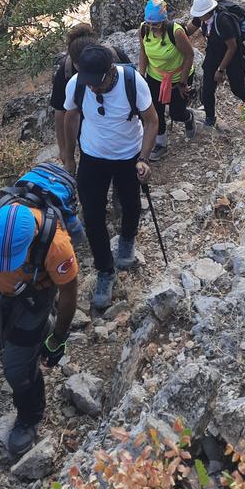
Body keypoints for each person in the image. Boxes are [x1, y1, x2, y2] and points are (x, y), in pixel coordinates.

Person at [0, 188, 78, 457]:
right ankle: (41, 328)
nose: (5, 266)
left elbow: (68, 292)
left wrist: (58, 339)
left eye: (12, 260)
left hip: (34, 297)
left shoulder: (56, 245)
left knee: (16, 371)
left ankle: (29, 415)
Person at [63, 44, 157, 309]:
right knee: (93, 217)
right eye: (89, 82)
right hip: (92, 156)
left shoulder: (132, 82)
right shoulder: (77, 84)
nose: (93, 88)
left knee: (130, 204)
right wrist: (69, 157)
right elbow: (71, 117)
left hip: (128, 155)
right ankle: (105, 270)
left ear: (111, 71)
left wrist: (144, 159)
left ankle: (127, 239)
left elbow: (151, 120)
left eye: (98, 82)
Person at [51, 24, 131, 166]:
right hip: (88, 133)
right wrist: (65, 151)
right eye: (81, 67)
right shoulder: (66, 73)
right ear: (74, 62)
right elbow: (60, 110)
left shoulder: (115, 58)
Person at [138, 0, 196, 160]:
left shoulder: (176, 32)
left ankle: (188, 117)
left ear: (164, 20)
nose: (152, 27)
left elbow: (189, 55)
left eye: (156, 24)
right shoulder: (143, 29)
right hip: (155, 76)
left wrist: (183, 82)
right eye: (149, 23)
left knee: (176, 113)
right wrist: (141, 76)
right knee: (156, 111)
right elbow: (143, 52)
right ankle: (161, 143)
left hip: (178, 77)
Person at [186, 0, 245, 127]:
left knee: (237, 88)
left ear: (208, 11)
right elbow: (189, 30)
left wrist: (220, 70)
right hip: (214, 52)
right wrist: (174, 33)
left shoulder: (223, 21)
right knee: (207, 88)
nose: (198, 16)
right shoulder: (202, 18)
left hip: (233, 55)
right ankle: (210, 118)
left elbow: (232, 47)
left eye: (200, 14)